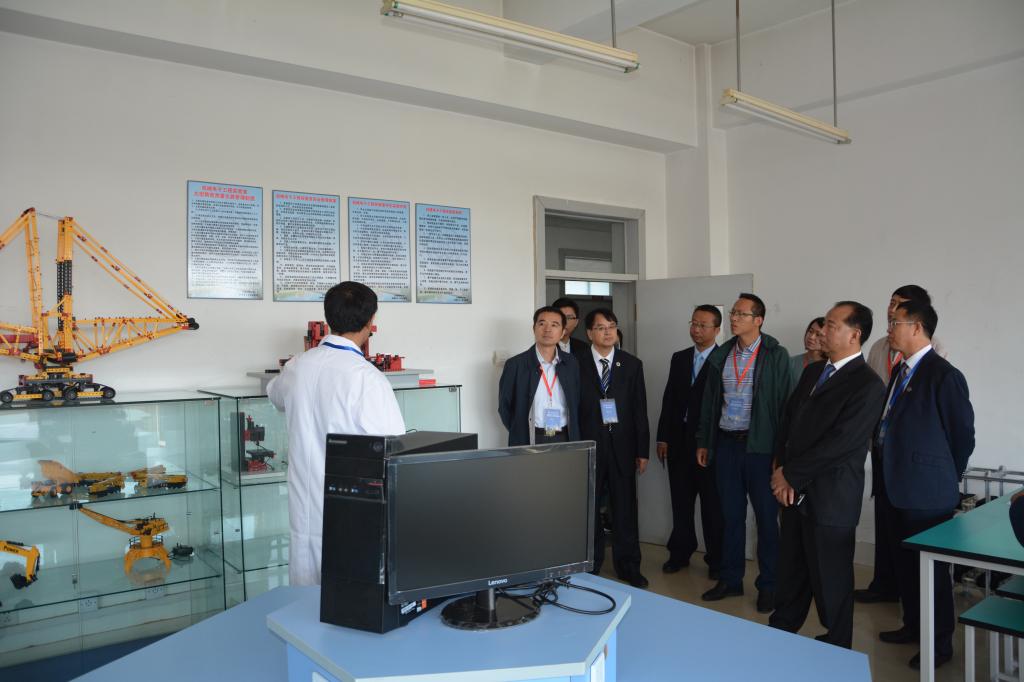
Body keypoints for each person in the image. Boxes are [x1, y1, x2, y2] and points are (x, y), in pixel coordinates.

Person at [268, 281, 405, 587]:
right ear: (371, 322)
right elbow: (394, 450)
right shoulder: (367, 378)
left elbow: (275, 396)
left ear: (328, 318)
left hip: (304, 510)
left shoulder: (297, 366)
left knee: (305, 599)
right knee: (346, 598)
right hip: (351, 509)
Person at [768, 302, 886, 649]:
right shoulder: (813, 372)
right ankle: (779, 633)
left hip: (830, 498)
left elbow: (841, 443)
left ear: (854, 334)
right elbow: (789, 422)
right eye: (824, 324)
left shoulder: (868, 385)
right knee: (791, 573)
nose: (822, 331)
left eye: (832, 325)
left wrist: (791, 474)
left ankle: (837, 647)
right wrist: (780, 467)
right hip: (793, 493)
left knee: (831, 580)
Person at [875, 300, 975, 670]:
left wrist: (945, 476)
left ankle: (940, 644)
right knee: (905, 567)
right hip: (894, 485)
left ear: (917, 327)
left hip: (927, 493)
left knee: (930, 574)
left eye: (894, 322)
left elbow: (962, 436)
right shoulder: (901, 371)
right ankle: (913, 626)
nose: (889, 330)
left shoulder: (943, 375)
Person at [696, 293, 792, 613]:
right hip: (726, 444)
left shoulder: (776, 355)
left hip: (761, 448)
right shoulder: (722, 354)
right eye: (733, 313)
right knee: (730, 516)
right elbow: (710, 402)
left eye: (741, 314)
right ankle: (730, 579)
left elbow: (787, 406)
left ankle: (770, 585)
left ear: (758, 320)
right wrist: (704, 441)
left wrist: (782, 454)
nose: (734, 318)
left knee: (766, 519)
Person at [857, 284, 948, 605]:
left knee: (916, 545)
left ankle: (925, 620)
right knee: (888, 530)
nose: (891, 312)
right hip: (883, 452)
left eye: (899, 309)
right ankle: (887, 588)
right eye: (891, 303)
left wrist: (945, 470)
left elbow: (957, 431)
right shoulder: (883, 351)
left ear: (917, 323)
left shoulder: (938, 362)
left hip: (915, 464)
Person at [578, 308, 650, 588]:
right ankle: (591, 564)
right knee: (589, 509)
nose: (607, 332)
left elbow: (639, 409)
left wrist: (642, 451)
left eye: (611, 326)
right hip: (589, 447)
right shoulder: (575, 363)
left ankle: (629, 566)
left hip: (623, 447)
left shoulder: (631, 364)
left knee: (625, 509)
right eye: (600, 327)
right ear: (589, 333)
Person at [656, 305, 723, 577]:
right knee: (681, 502)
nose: (696, 329)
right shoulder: (680, 357)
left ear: (717, 329)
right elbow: (669, 398)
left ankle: (716, 560)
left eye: (703, 325)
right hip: (679, 442)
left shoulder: (724, 359)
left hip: (708, 444)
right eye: (693, 323)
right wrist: (663, 437)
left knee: (712, 506)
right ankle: (680, 553)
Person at [498, 306, 581, 446]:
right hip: (530, 437)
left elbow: (577, 400)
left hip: (565, 436)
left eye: (554, 325)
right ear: (534, 328)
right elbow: (504, 407)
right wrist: (519, 431)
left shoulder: (571, 363)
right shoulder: (515, 365)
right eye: (542, 324)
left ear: (562, 332)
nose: (547, 329)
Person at [789, 317, 825, 389]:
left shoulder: (830, 367)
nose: (811, 337)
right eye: (810, 331)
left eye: (818, 334)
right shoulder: (792, 362)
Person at [552, 297, 589, 361]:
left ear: (576, 322)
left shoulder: (584, 348)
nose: (565, 322)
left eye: (569, 318)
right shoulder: (546, 345)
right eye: (561, 317)